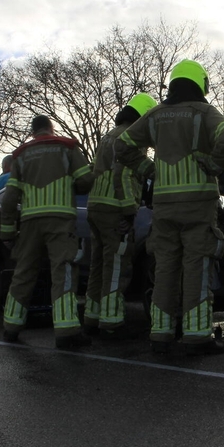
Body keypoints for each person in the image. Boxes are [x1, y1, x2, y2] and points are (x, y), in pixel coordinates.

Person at [114, 60, 224, 355]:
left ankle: (160, 332)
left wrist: (149, 170)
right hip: (198, 204)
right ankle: (197, 336)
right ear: (201, 83)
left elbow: (123, 145)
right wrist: (213, 165)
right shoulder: (203, 112)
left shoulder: (156, 115)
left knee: (166, 267)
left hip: (165, 205)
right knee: (197, 265)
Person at [1, 116, 95, 349]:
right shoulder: (66, 147)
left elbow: (10, 198)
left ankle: (11, 327)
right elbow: (84, 181)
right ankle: (66, 332)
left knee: (23, 273)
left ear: (33, 132)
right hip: (60, 220)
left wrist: (7, 232)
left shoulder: (21, 155)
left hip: (30, 222)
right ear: (51, 129)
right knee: (63, 272)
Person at [84, 92, 157, 338]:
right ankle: (111, 321)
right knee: (117, 266)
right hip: (115, 207)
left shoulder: (108, 136)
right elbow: (122, 175)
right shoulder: (131, 138)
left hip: (96, 205)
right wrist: (128, 211)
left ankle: (92, 317)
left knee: (99, 264)